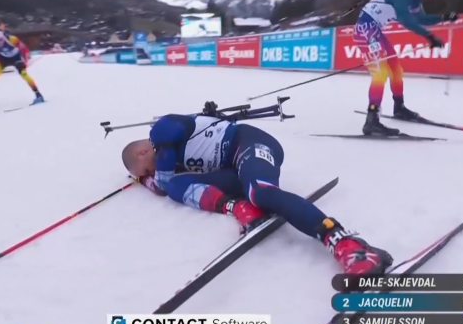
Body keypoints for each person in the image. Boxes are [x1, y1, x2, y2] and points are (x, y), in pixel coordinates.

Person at [121, 113, 393, 276]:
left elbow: (167, 146)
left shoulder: (160, 132)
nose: (155, 172)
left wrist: (161, 180)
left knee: (260, 192)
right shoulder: (162, 158)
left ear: (143, 152)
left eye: (149, 167)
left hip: (250, 144)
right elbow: (168, 185)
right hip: (233, 168)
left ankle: (350, 246)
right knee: (180, 188)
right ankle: (241, 209)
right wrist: (150, 181)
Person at [355, 0, 458, 136]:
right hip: (365, 28)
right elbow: (404, 18)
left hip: (375, 29)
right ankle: (371, 120)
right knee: (380, 73)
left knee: (396, 69)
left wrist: (443, 17)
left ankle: (399, 108)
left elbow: (421, 18)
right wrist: (429, 36)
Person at [0, 30, 44, 112]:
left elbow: (24, 50)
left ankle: (38, 94)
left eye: (0, 40)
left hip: (16, 57)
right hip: (2, 58)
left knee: (24, 74)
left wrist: (24, 62)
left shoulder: (12, 39)